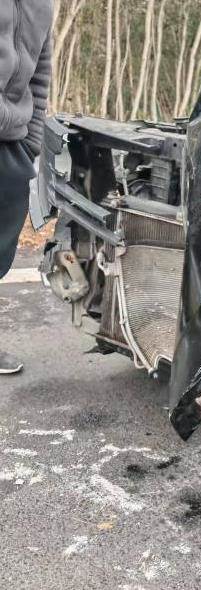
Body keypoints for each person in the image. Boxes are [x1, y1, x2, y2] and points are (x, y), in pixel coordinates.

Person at [0, 1, 53, 374]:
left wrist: (32, 140)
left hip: (14, 142)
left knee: (0, 251)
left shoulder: (42, 4)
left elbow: (41, 73)